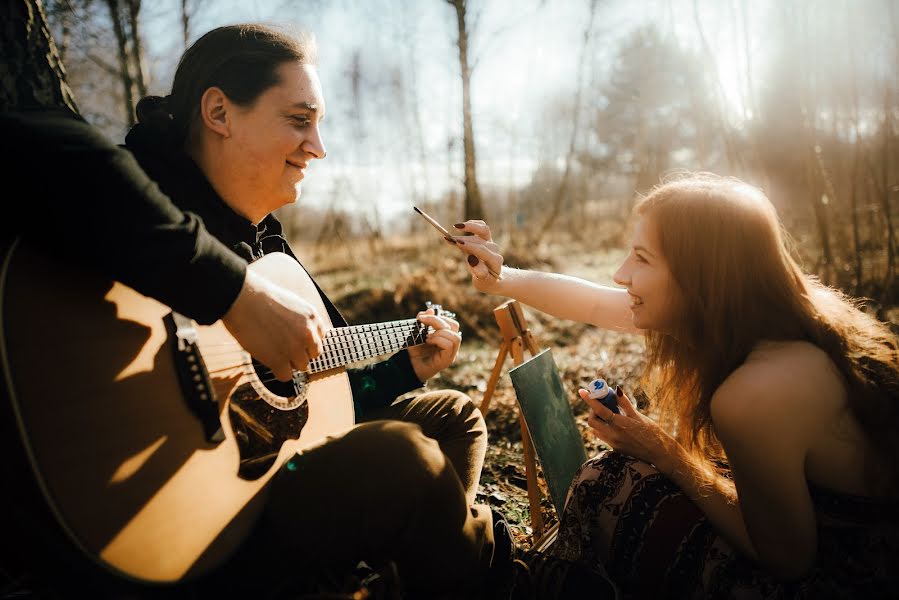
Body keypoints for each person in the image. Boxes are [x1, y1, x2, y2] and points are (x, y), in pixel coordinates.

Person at [117, 23, 504, 598]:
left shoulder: (265, 241)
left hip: (277, 458)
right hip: (194, 507)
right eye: (300, 121)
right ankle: (497, 574)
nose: (319, 148)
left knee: (452, 414)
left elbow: (314, 397)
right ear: (219, 113)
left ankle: (416, 567)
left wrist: (406, 367)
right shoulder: (126, 204)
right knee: (404, 460)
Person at [453, 173, 899, 598]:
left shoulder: (756, 391)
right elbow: (590, 301)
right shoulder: (763, 316)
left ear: (701, 276)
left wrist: (664, 451)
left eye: (642, 258)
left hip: (851, 573)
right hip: (839, 528)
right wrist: (501, 278)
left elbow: (787, 561)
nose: (620, 274)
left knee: (607, 484)